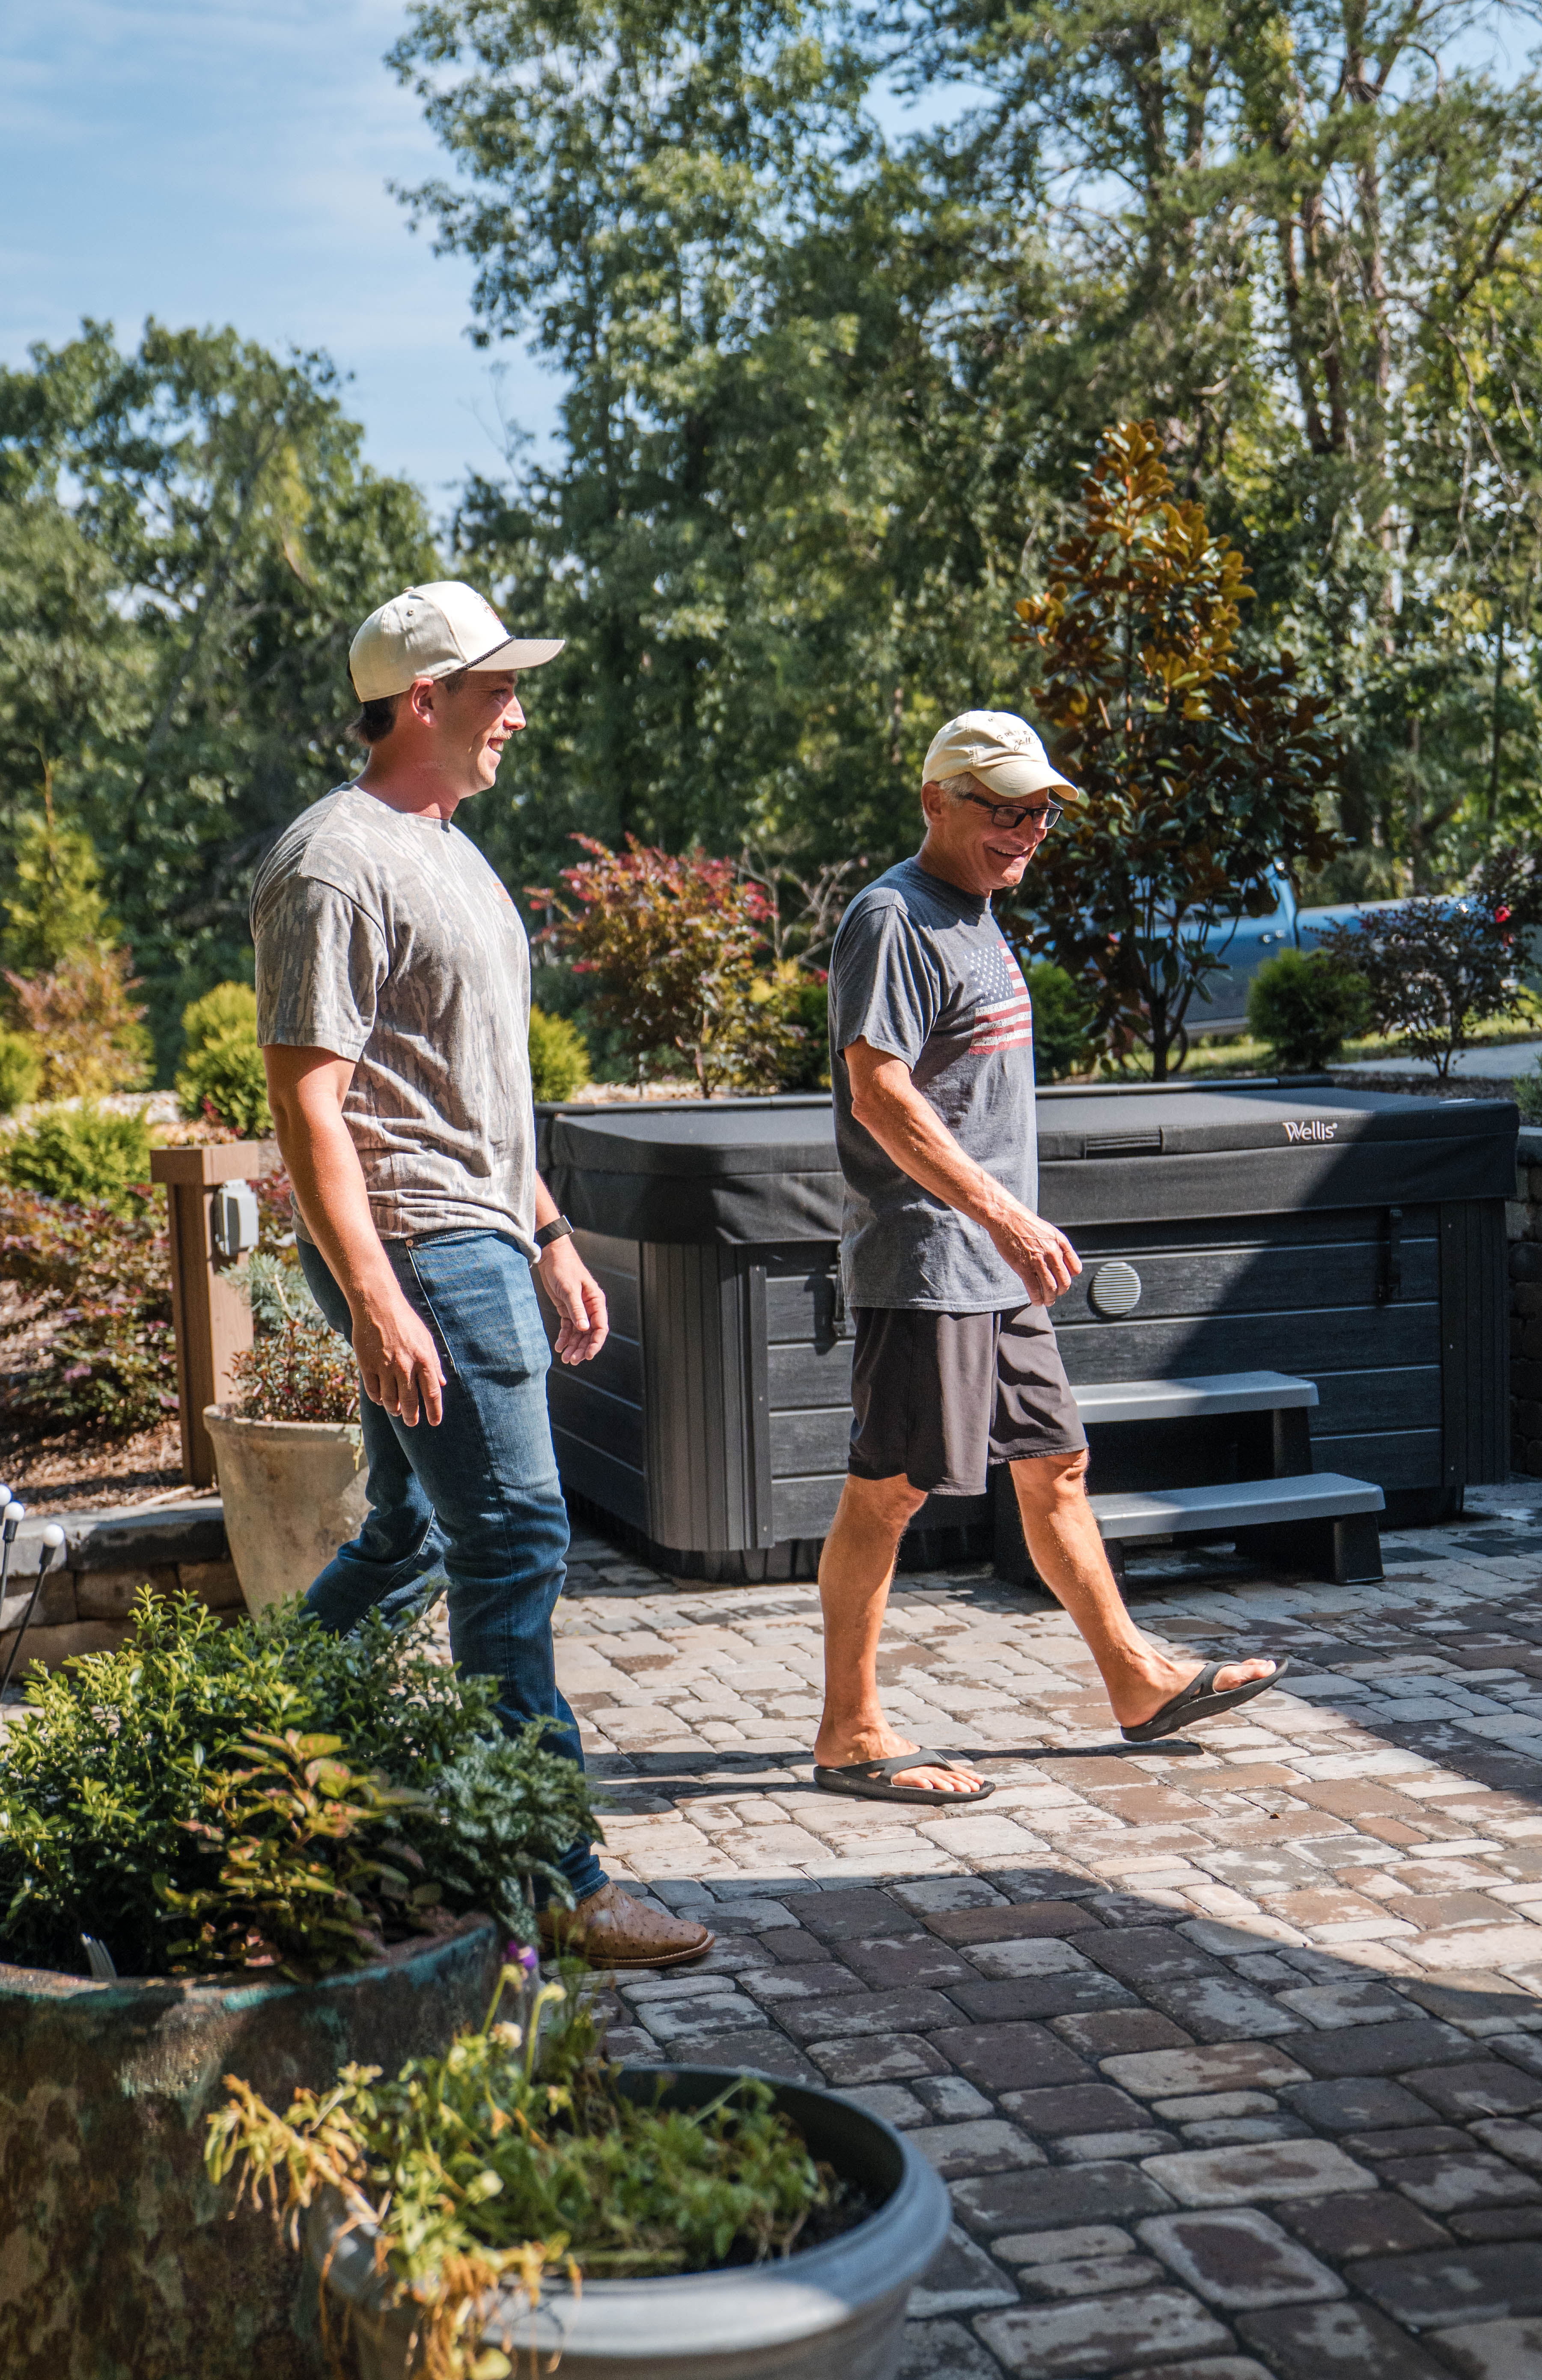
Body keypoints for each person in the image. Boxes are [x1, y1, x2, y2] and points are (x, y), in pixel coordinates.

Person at [251, 579, 712, 1965]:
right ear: (421, 698)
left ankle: (253, 1740)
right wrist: (379, 1297)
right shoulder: (334, 861)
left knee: (412, 1533)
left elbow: (478, 1092)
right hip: (423, 1248)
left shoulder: (451, 848)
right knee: (515, 1538)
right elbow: (311, 1109)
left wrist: (552, 1234)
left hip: (480, 1234)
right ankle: (555, 1874)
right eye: (497, 687)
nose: (517, 711)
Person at [815, 710, 1285, 1801]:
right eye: (1005, 809)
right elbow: (878, 1091)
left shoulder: (977, 915)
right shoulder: (894, 917)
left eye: (1040, 814)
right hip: (931, 1260)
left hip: (993, 1263)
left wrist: (1008, 1233)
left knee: (1057, 1465)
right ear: (936, 800)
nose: (1028, 829)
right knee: (888, 1491)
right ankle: (852, 1731)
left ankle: (1137, 1680)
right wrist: (1006, 1217)